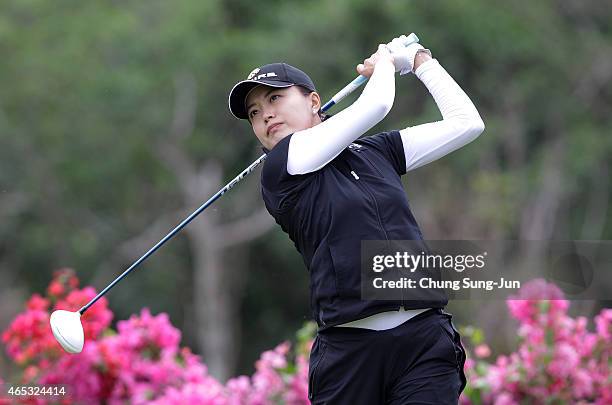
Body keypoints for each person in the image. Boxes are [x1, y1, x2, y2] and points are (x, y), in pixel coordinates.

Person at [228, 35, 484, 404]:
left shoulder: (375, 152)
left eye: (274, 98)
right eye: (254, 112)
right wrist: (385, 63)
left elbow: (467, 124)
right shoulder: (282, 166)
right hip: (350, 355)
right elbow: (378, 103)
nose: (264, 113)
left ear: (314, 101)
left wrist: (420, 61)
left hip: (424, 344)